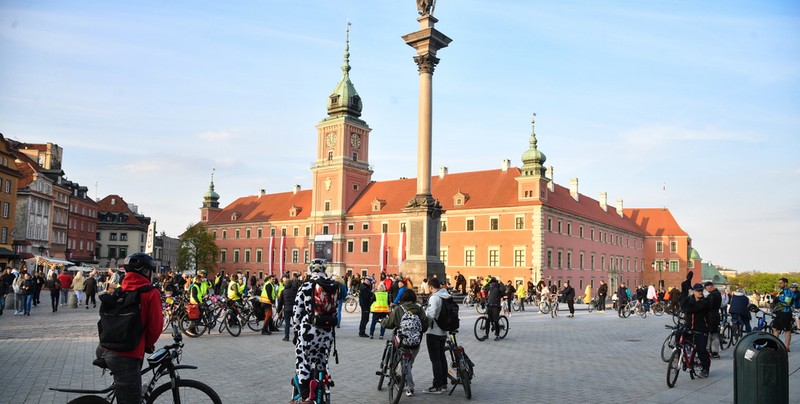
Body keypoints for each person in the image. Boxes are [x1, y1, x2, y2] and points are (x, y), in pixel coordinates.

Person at [96, 253, 162, 404]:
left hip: (105, 348)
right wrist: (148, 345)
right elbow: (156, 327)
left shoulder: (120, 290)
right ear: (146, 272)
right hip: (128, 354)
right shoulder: (151, 293)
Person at [291, 259, 338, 404]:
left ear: (311, 270)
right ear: (325, 269)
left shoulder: (306, 286)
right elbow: (335, 312)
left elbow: (297, 312)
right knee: (322, 362)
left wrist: (296, 331)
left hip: (308, 332)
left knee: (303, 362)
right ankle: (321, 386)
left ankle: (307, 396)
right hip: (327, 333)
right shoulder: (333, 285)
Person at [381, 289, 427, 397]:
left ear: (403, 298)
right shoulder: (420, 309)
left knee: (400, 360)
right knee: (409, 363)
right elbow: (424, 326)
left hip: (401, 340)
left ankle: (399, 378)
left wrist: (383, 322)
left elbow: (390, 324)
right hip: (416, 341)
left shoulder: (399, 309)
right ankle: (408, 386)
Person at [423, 277, 451, 394]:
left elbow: (431, 314)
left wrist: (424, 325)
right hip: (443, 331)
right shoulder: (446, 295)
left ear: (431, 287)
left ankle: (437, 385)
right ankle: (444, 383)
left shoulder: (434, 297)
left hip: (433, 331)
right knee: (441, 358)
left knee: (435, 360)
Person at [681, 275, 711, 378]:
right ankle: (681, 357)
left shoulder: (705, 302)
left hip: (701, 329)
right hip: (689, 327)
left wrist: (687, 307)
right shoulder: (689, 299)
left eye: (701, 291)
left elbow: (694, 308)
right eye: (698, 291)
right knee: (678, 337)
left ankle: (705, 369)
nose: (700, 292)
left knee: (701, 350)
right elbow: (683, 306)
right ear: (693, 291)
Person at [772, 277, 794, 351]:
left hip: (785, 312)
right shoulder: (780, 291)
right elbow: (776, 299)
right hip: (779, 312)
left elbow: (787, 303)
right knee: (775, 328)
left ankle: (787, 347)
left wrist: (779, 300)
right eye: (779, 283)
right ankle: (775, 345)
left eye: (781, 283)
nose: (779, 284)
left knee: (786, 330)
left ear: (786, 283)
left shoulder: (788, 292)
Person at [276, 276, 298, 341]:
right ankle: (296, 337)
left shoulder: (283, 291)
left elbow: (280, 302)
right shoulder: (295, 290)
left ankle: (286, 337)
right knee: (295, 323)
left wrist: (278, 310)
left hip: (286, 309)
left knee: (287, 324)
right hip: (294, 309)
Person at [704, 282, 722, 359]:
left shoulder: (711, 295)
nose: (706, 289)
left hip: (711, 316)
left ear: (710, 286)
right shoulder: (718, 293)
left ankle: (708, 351)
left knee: (709, 334)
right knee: (715, 334)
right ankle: (715, 352)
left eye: (706, 288)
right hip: (716, 315)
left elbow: (708, 306)